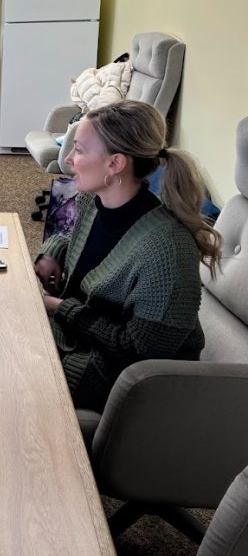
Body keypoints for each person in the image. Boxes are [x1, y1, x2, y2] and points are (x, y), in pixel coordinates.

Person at [34, 100, 221, 412]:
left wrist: (60, 307)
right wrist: (51, 254)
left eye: (79, 150)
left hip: (119, 379)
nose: (68, 159)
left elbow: (139, 352)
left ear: (115, 164)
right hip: (78, 340)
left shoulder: (167, 251)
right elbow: (76, 239)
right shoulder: (91, 201)